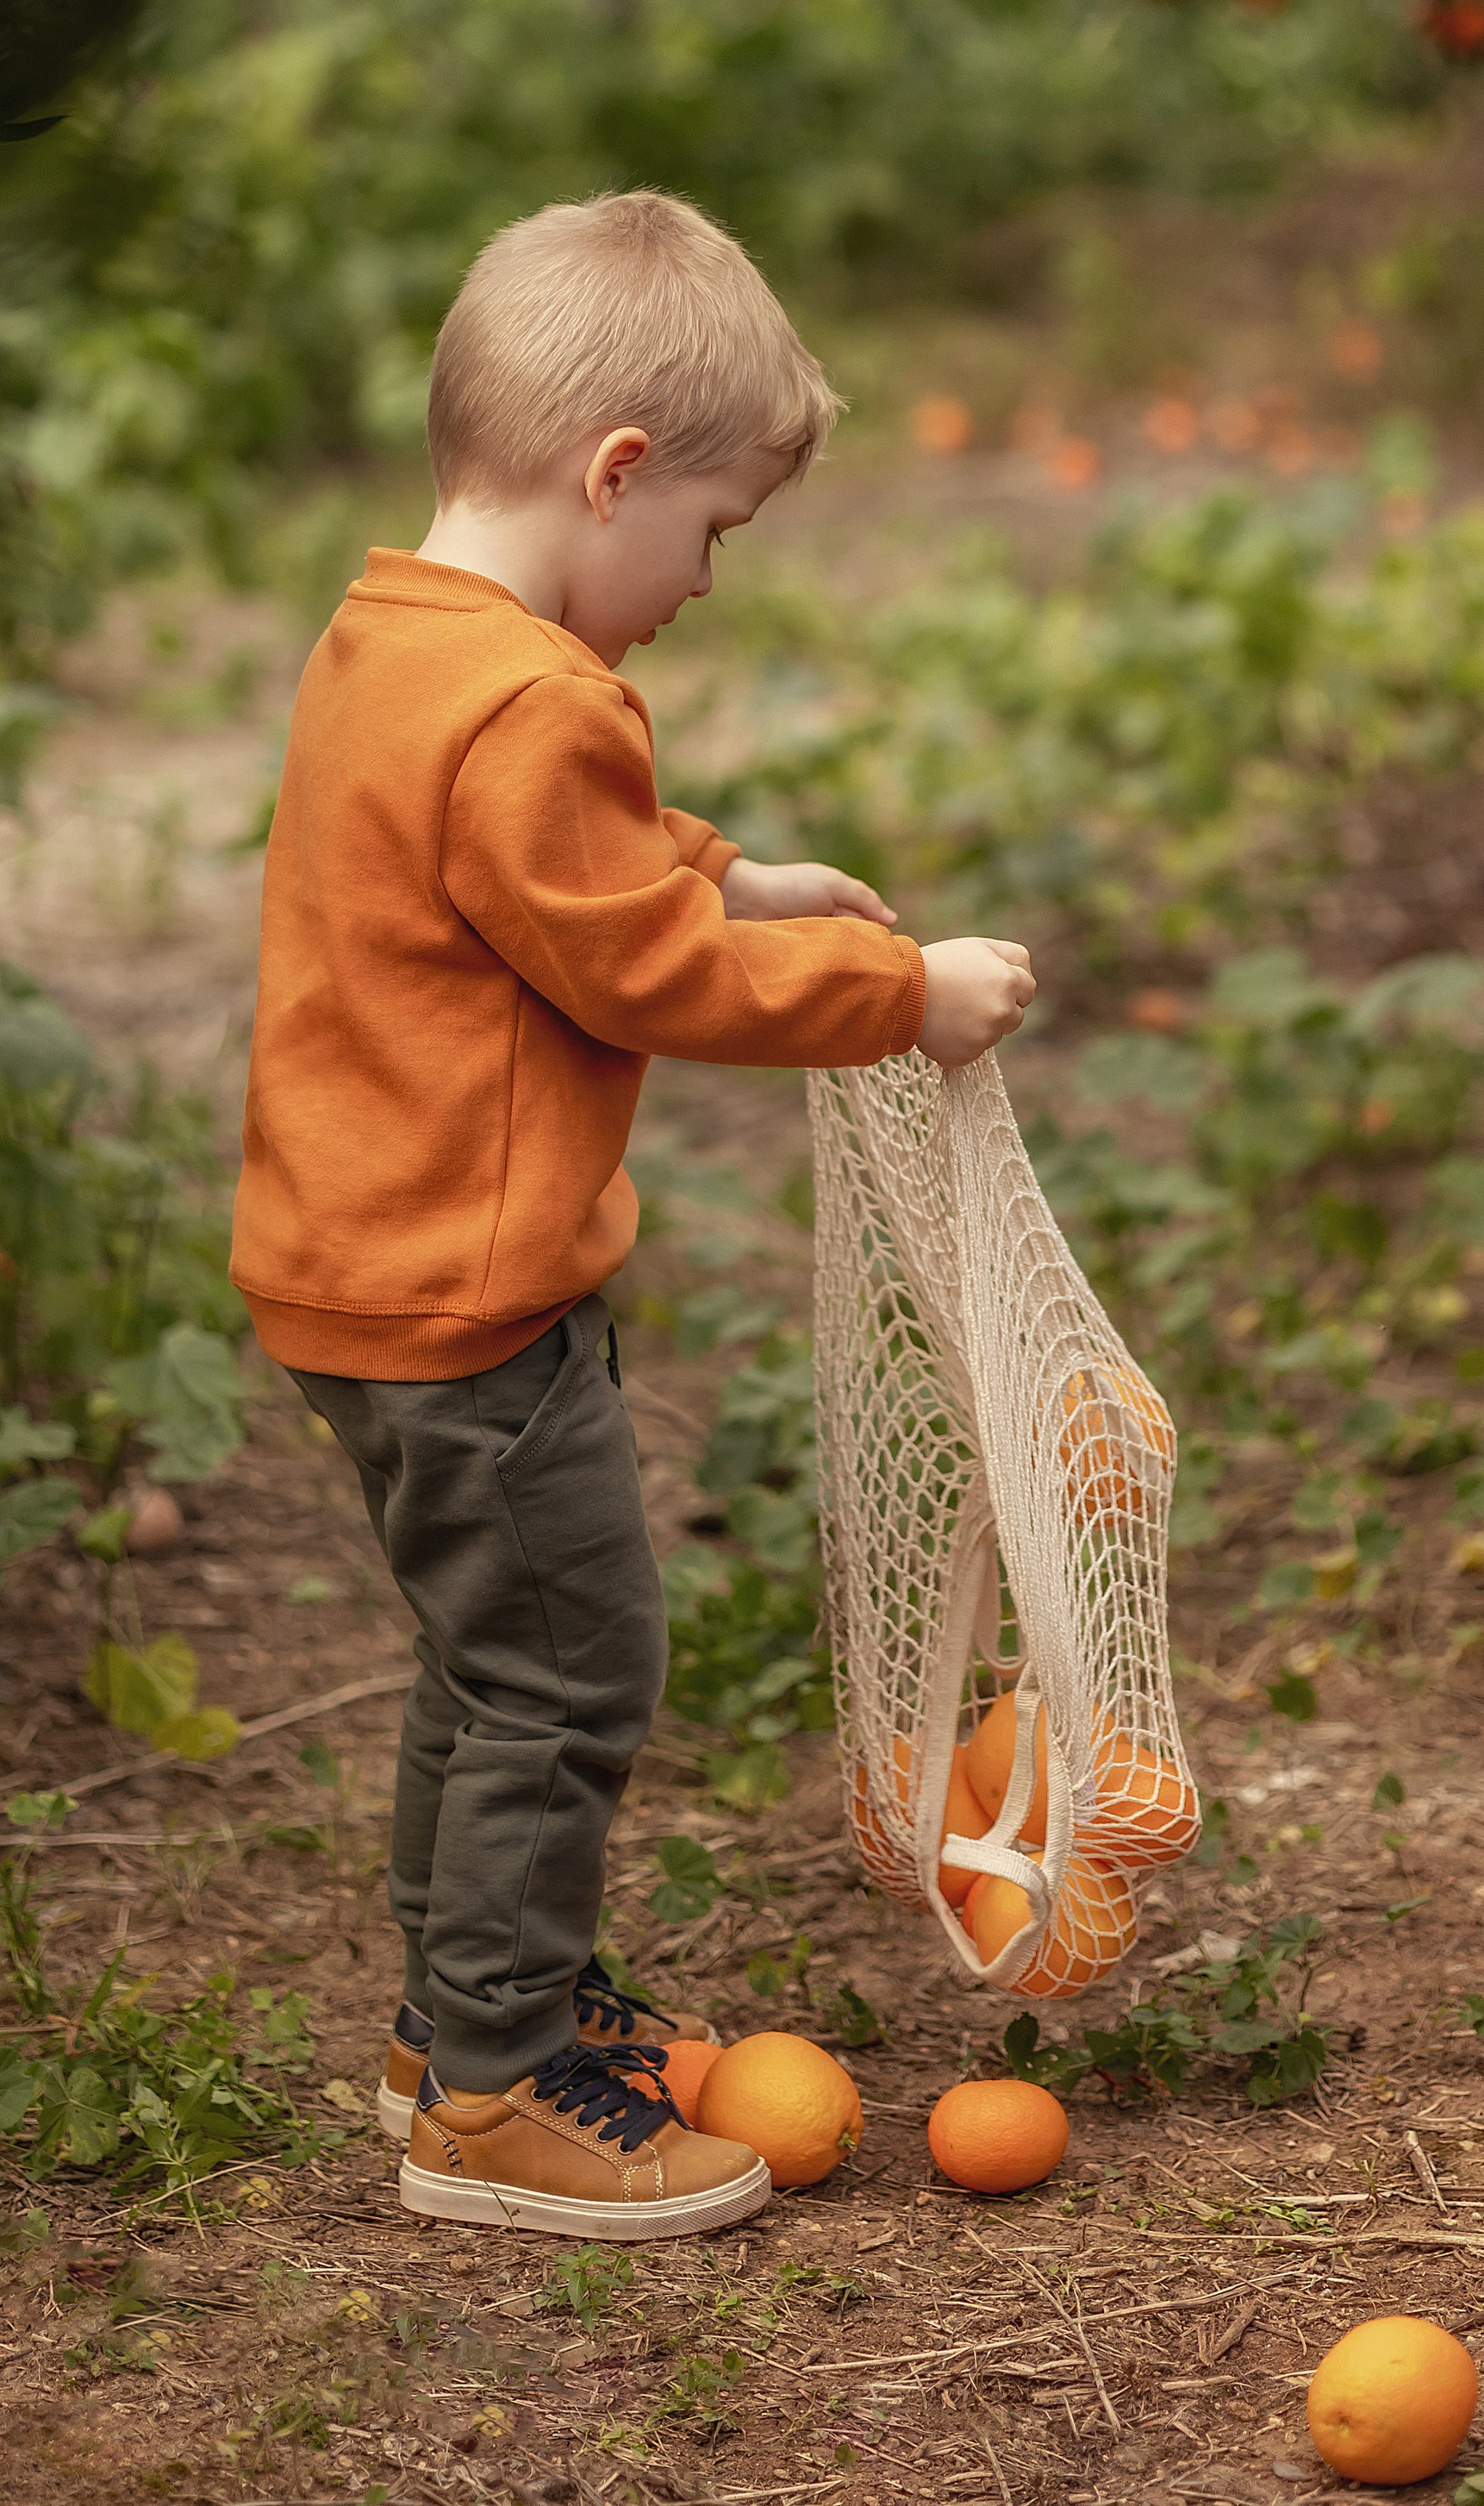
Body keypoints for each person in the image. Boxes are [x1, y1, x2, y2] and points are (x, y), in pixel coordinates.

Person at [229, 188, 1034, 2239]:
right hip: (474, 1304)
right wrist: (898, 992)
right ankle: (494, 2097)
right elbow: (633, 967)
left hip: (353, 1273)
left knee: (482, 1657)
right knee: (569, 1671)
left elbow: (534, 861)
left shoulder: (391, 640)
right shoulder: (537, 702)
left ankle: (454, 2021)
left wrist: (721, 862)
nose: (701, 578)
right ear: (613, 476)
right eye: (710, 531)